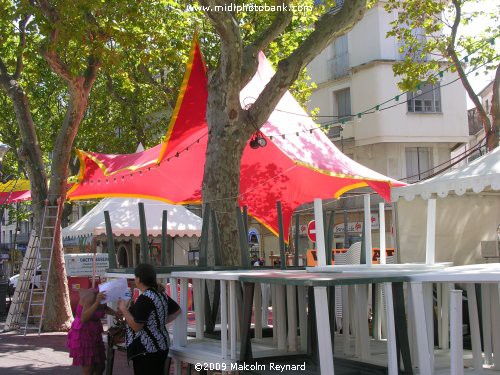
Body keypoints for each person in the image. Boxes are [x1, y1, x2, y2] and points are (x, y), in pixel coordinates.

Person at [118, 263, 181, 375]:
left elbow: (137, 326)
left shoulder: (145, 298)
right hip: (161, 344)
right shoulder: (160, 294)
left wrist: (123, 309)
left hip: (147, 349)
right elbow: (177, 311)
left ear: (139, 279)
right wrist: (157, 322)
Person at [67, 288, 119, 375]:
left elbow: (104, 308)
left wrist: (116, 313)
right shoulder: (91, 296)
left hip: (95, 333)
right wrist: (97, 302)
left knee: (100, 366)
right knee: (89, 368)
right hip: (83, 333)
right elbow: (84, 318)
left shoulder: (102, 296)